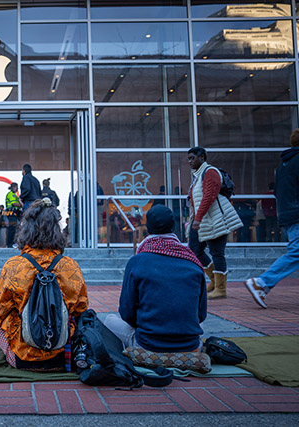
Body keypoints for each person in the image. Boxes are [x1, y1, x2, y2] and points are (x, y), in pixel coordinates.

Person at [0, 198, 89, 370]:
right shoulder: (70, 266)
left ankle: (15, 351)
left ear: (25, 229)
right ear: (57, 230)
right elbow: (81, 311)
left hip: (22, 358)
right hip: (62, 357)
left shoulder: (14, 266)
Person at [104, 205, 207, 352]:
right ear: (173, 227)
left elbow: (126, 313)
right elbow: (201, 315)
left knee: (109, 320)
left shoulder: (137, 261)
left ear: (148, 228)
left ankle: (130, 352)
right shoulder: (193, 262)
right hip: (189, 345)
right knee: (200, 326)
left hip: (147, 344)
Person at [245, 129, 299, 309]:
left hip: (288, 215)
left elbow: (278, 192)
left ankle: (263, 283)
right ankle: (262, 282)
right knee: (297, 252)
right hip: (297, 214)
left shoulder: (284, 165)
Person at [186, 147, 242, 299]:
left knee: (217, 253)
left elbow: (209, 197)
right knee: (194, 250)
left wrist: (198, 218)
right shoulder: (197, 175)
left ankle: (221, 289)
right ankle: (214, 281)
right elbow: (195, 200)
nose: (190, 162)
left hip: (215, 219)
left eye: (192, 158)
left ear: (202, 157)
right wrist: (192, 219)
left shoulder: (210, 172)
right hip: (202, 220)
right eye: (188, 159)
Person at [4, 182, 22, 248]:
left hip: (14, 212)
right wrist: (21, 205)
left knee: (14, 228)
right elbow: (14, 203)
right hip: (11, 212)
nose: (17, 189)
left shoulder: (14, 194)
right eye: (16, 187)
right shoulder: (11, 194)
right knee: (12, 228)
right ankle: (10, 243)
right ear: (13, 187)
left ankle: (11, 243)